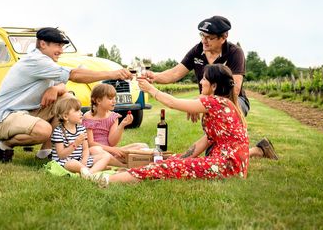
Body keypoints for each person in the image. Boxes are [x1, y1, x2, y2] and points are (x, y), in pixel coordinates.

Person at [82, 64, 249, 187]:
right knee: (171, 161)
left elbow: (172, 103)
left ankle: (105, 180)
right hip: (230, 164)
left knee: (166, 167)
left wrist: (150, 89)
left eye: (204, 78)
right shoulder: (224, 104)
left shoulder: (216, 102)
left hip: (226, 165)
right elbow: (204, 141)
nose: (201, 81)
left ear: (214, 86)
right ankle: (126, 175)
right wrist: (181, 158)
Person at [0, 27, 133, 163]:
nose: (61, 50)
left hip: (28, 112)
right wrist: (113, 73)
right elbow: (74, 75)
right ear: (43, 44)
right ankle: (4, 144)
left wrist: (56, 89)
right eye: (57, 45)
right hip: (4, 117)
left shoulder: (48, 62)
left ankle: (46, 151)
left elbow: (64, 84)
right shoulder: (36, 61)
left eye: (62, 46)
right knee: (44, 130)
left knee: (68, 101)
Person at [143, 15, 278, 160]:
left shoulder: (234, 52)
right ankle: (259, 149)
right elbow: (176, 72)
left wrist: (199, 102)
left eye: (209, 37)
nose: (204, 40)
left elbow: (235, 89)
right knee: (215, 153)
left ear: (223, 37)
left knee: (219, 154)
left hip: (235, 102)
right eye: (202, 35)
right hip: (208, 102)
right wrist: (154, 76)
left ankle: (254, 151)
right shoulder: (197, 50)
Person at [82, 83, 148, 166]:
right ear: (98, 101)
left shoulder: (113, 117)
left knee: (142, 146)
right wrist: (113, 150)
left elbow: (112, 142)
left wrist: (122, 126)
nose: (114, 101)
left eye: (114, 98)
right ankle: (122, 163)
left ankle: (116, 160)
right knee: (96, 149)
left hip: (111, 151)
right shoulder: (88, 117)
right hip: (95, 152)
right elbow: (90, 143)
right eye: (110, 98)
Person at [50, 97, 111, 177]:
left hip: (80, 160)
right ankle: (91, 171)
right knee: (72, 163)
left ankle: (89, 173)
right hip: (65, 161)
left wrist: (84, 160)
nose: (81, 113)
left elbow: (85, 149)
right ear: (65, 116)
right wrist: (75, 143)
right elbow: (61, 155)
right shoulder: (59, 132)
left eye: (80, 110)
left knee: (106, 156)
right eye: (77, 111)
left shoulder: (81, 129)